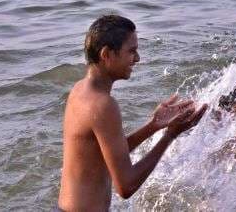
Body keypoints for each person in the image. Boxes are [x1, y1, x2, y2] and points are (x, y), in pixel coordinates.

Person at [58, 15, 208, 211]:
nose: (137, 58)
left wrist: (153, 126)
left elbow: (108, 154)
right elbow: (126, 186)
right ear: (106, 54)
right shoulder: (103, 105)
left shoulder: (81, 90)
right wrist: (169, 136)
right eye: (132, 51)